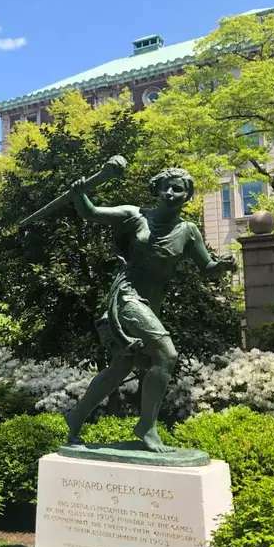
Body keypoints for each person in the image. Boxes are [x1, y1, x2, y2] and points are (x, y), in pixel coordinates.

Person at [64, 166, 236, 452]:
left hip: (150, 305)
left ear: (187, 196)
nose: (170, 193)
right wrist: (80, 193)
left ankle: (76, 417)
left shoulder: (188, 232)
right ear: (157, 189)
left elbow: (207, 269)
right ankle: (147, 427)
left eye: (177, 189)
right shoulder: (136, 215)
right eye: (165, 187)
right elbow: (91, 213)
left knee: (121, 367)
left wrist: (222, 266)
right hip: (127, 298)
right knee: (167, 355)